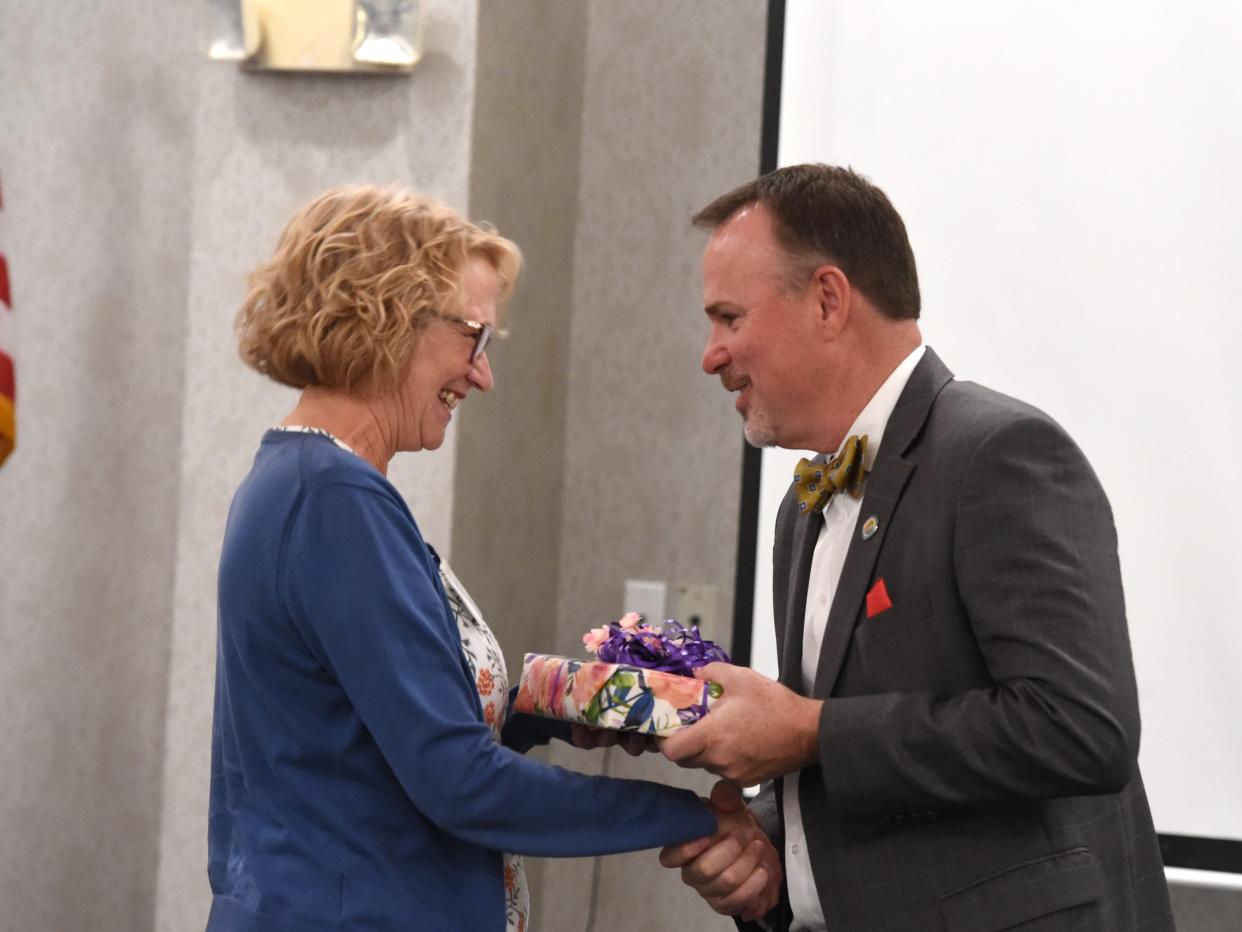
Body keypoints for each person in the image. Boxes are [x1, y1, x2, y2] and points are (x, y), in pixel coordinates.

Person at [207, 185, 753, 932]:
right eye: (475, 338)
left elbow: (380, 721)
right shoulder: (334, 501)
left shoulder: (307, 481)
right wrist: (689, 816)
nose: (483, 375)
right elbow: (459, 782)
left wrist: (570, 701)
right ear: (386, 313)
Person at [658, 165, 1175, 930]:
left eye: (729, 317)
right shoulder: (801, 511)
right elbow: (857, 773)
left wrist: (803, 730)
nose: (710, 353)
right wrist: (771, 857)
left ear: (829, 301)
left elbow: (1081, 729)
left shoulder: (999, 453)